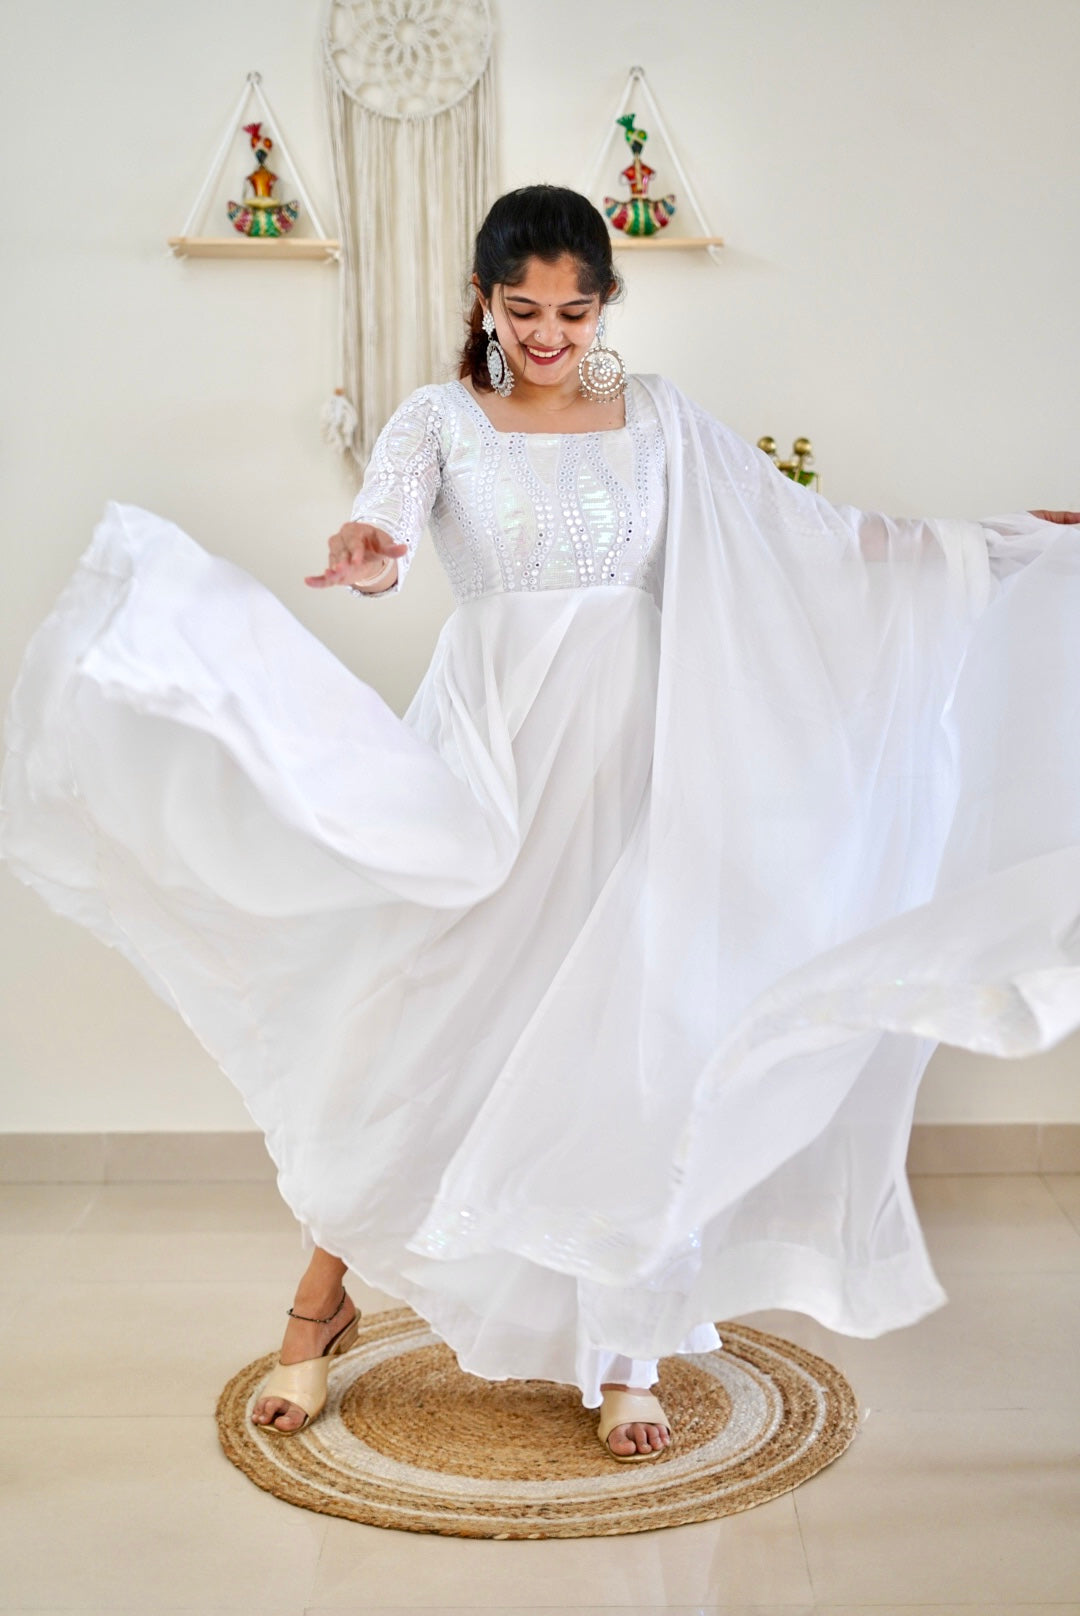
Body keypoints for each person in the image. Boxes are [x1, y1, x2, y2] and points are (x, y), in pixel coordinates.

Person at [2, 186, 1078, 1465]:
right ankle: (319, 1299)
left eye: (574, 312)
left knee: (631, 1036)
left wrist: (990, 546)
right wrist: (370, 548)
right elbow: (388, 526)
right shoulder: (439, 418)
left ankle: (624, 1346)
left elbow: (813, 536)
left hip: (636, 759)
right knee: (411, 1025)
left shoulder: (661, 419)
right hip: (491, 757)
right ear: (484, 300)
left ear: (606, 303)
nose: (550, 335)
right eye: (524, 311)